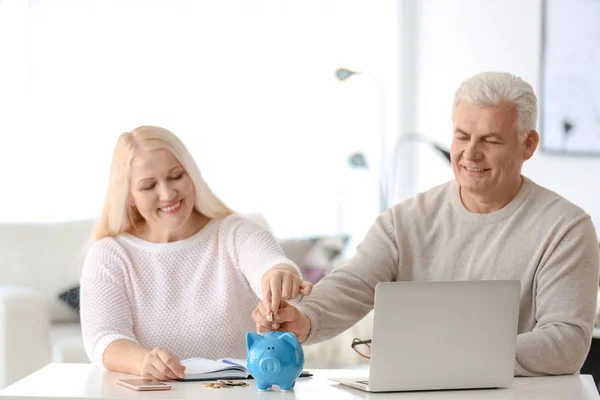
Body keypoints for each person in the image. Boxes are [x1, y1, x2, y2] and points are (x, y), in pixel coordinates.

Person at [252, 71, 600, 376]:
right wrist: (303, 317)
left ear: (528, 144)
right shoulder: (404, 221)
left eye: (490, 140)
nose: (470, 153)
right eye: (462, 136)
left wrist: (446, 356)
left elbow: (565, 343)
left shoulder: (566, 228)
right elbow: (351, 283)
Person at [80, 125, 312, 381]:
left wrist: (280, 274)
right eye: (148, 186)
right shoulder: (110, 254)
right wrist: (143, 361)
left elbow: (270, 263)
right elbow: (103, 338)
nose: (167, 194)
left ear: (192, 174)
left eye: (176, 176)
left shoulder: (234, 233)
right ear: (129, 196)